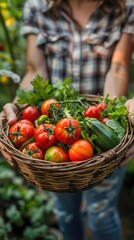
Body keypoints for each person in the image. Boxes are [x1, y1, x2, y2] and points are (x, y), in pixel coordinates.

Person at [0, 0, 134, 239]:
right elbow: (34, 69)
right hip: (52, 143)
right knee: (65, 211)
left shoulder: (125, 7)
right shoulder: (38, 6)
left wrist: (111, 117)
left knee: (101, 213)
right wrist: (20, 106)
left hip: (102, 147)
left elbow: (118, 68)